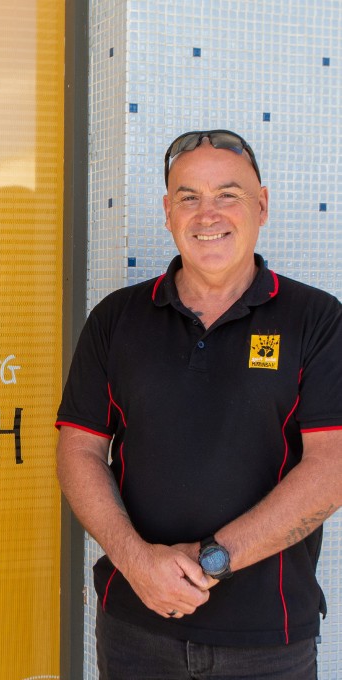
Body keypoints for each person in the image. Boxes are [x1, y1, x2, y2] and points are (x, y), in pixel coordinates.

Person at [56, 130, 342, 679]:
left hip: (268, 640)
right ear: (167, 212)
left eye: (227, 194)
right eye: (188, 197)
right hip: (136, 628)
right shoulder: (116, 319)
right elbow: (80, 452)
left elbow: (331, 468)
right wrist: (138, 563)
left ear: (262, 204)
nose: (206, 213)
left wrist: (209, 561)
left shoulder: (316, 319)